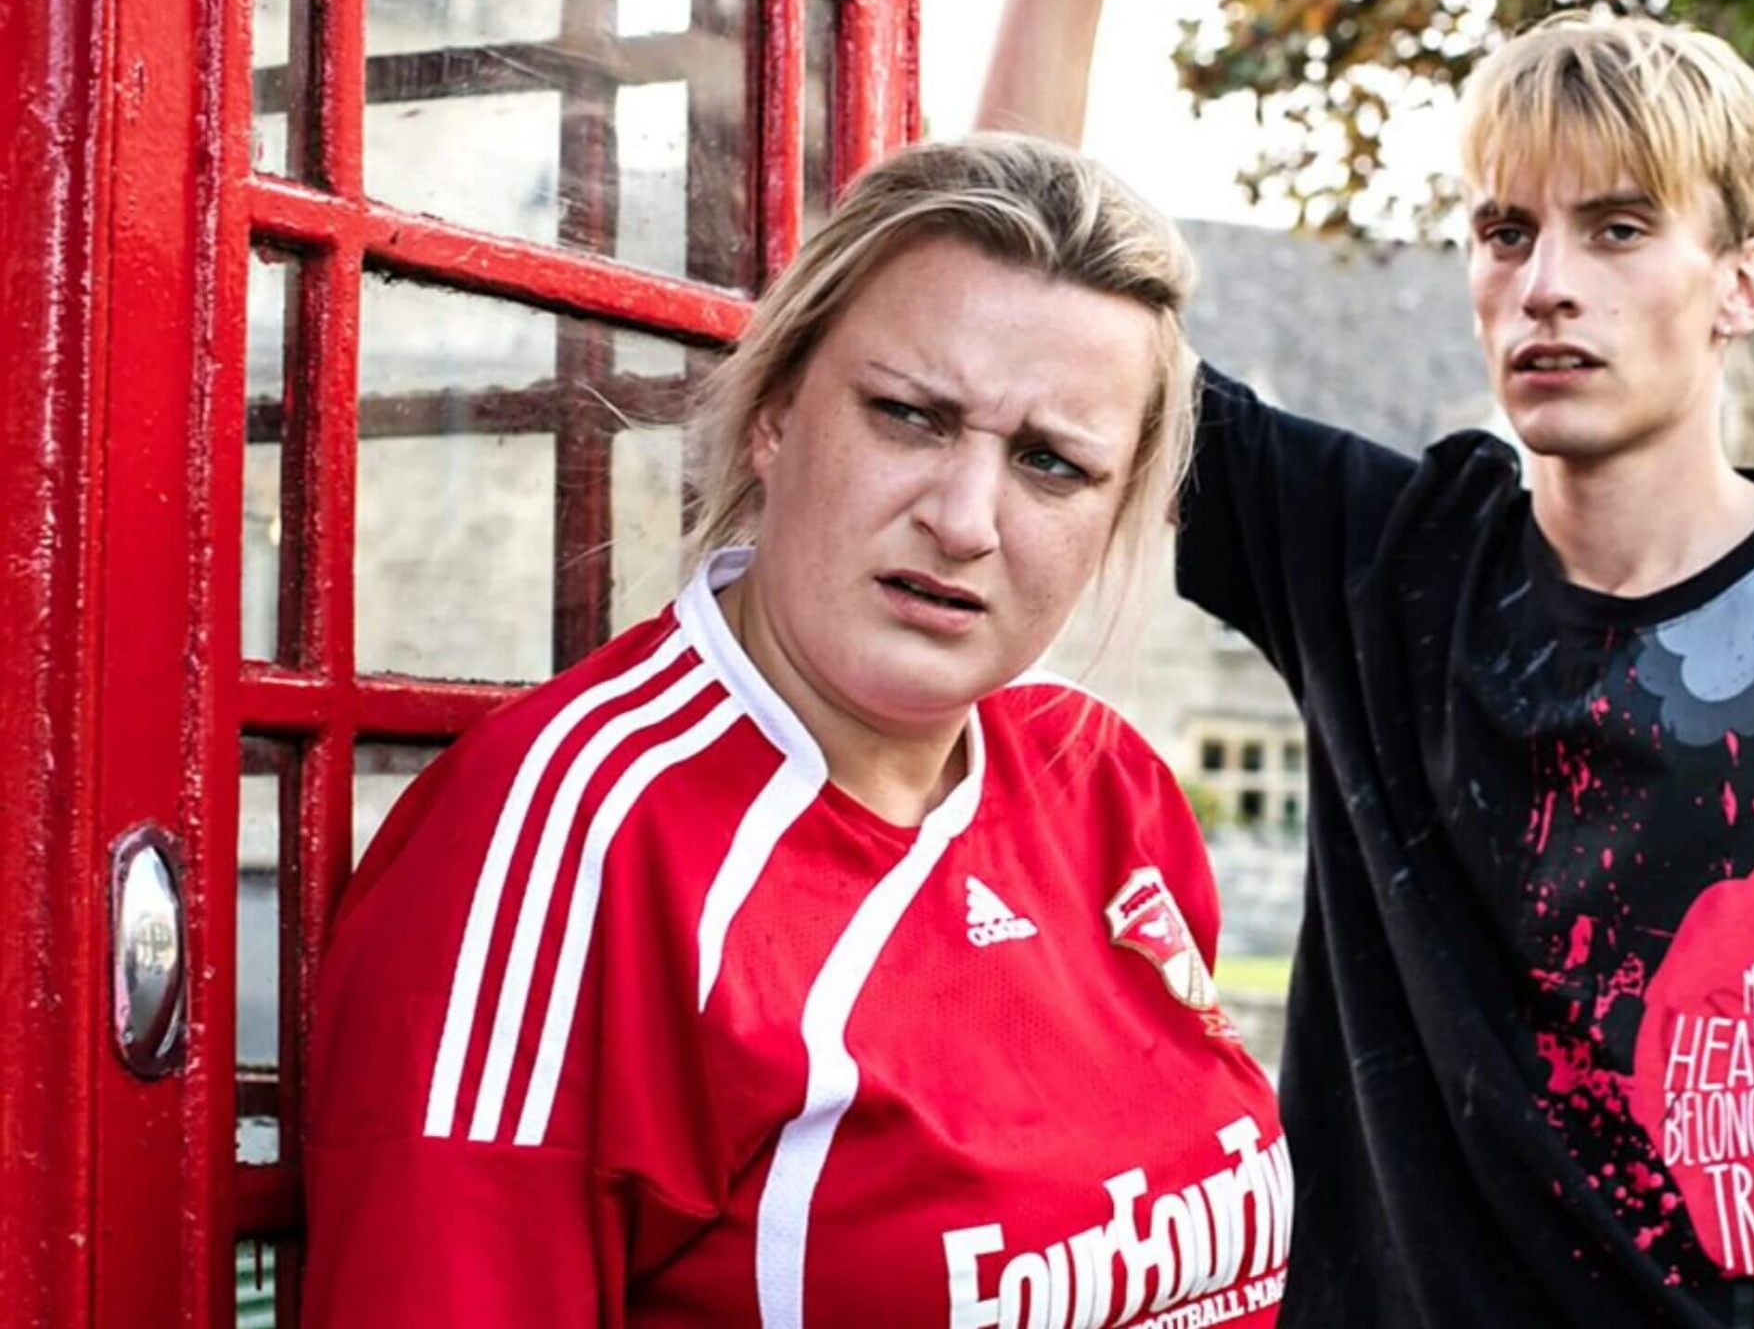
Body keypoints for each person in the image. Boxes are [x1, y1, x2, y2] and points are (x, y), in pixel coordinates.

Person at [982, 3, 1754, 1328]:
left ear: (1741, 283)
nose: (1547, 284)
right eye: (1506, 232)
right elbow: (1024, 277)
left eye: (1619, 229)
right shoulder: (1385, 568)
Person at [304, 134, 1293, 1328]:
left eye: (1050, 463)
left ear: (1117, 510)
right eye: (910, 417)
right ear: (774, 415)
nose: (965, 519)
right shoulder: (571, 844)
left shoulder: (1104, 788)